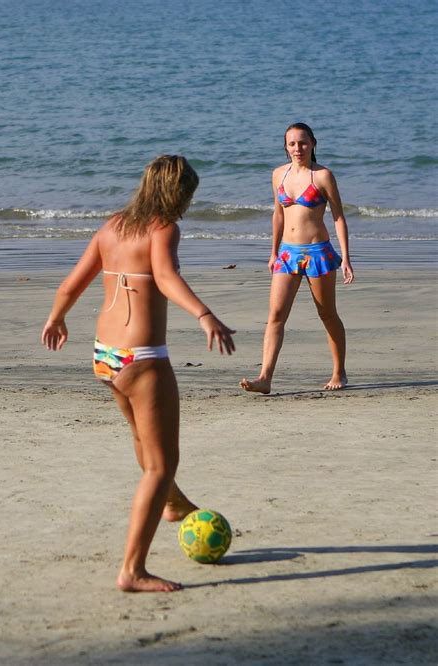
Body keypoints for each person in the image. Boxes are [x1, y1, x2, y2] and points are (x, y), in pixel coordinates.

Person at [41, 155, 236, 593]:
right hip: (143, 357)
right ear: (176, 191)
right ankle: (133, 569)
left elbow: (73, 282)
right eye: (187, 194)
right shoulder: (163, 228)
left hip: (106, 355)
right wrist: (204, 315)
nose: (187, 203)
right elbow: (165, 277)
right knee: (162, 464)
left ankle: (172, 502)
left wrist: (57, 317)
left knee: (141, 440)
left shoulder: (113, 226)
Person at [240, 122, 354, 395]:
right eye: (292, 143)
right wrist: (273, 251)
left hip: (318, 254)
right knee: (276, 316)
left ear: (313, 143)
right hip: (287, 254)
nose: (297, 148)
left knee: (327, 314)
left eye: (303, 143)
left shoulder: (323, 176)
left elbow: (338, 216)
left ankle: (339, 371)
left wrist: (346, 258)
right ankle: (265, 377)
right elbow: (278, 214)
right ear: (285, 147)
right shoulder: (278, 174)